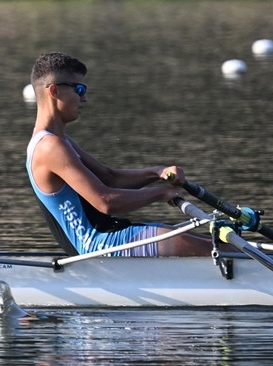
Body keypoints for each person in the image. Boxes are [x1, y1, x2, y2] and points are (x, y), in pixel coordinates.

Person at [26, 51, 214, 257]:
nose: (84, 98)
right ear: (54, 91)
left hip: (111, 235)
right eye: (79, 89)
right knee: (219, 250)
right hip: (98, 246)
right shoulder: (50, 146)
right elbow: (106, 201)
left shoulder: (60, 140)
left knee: (213, 243)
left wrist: (157, 172)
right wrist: (160, 194)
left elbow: (109, 178)